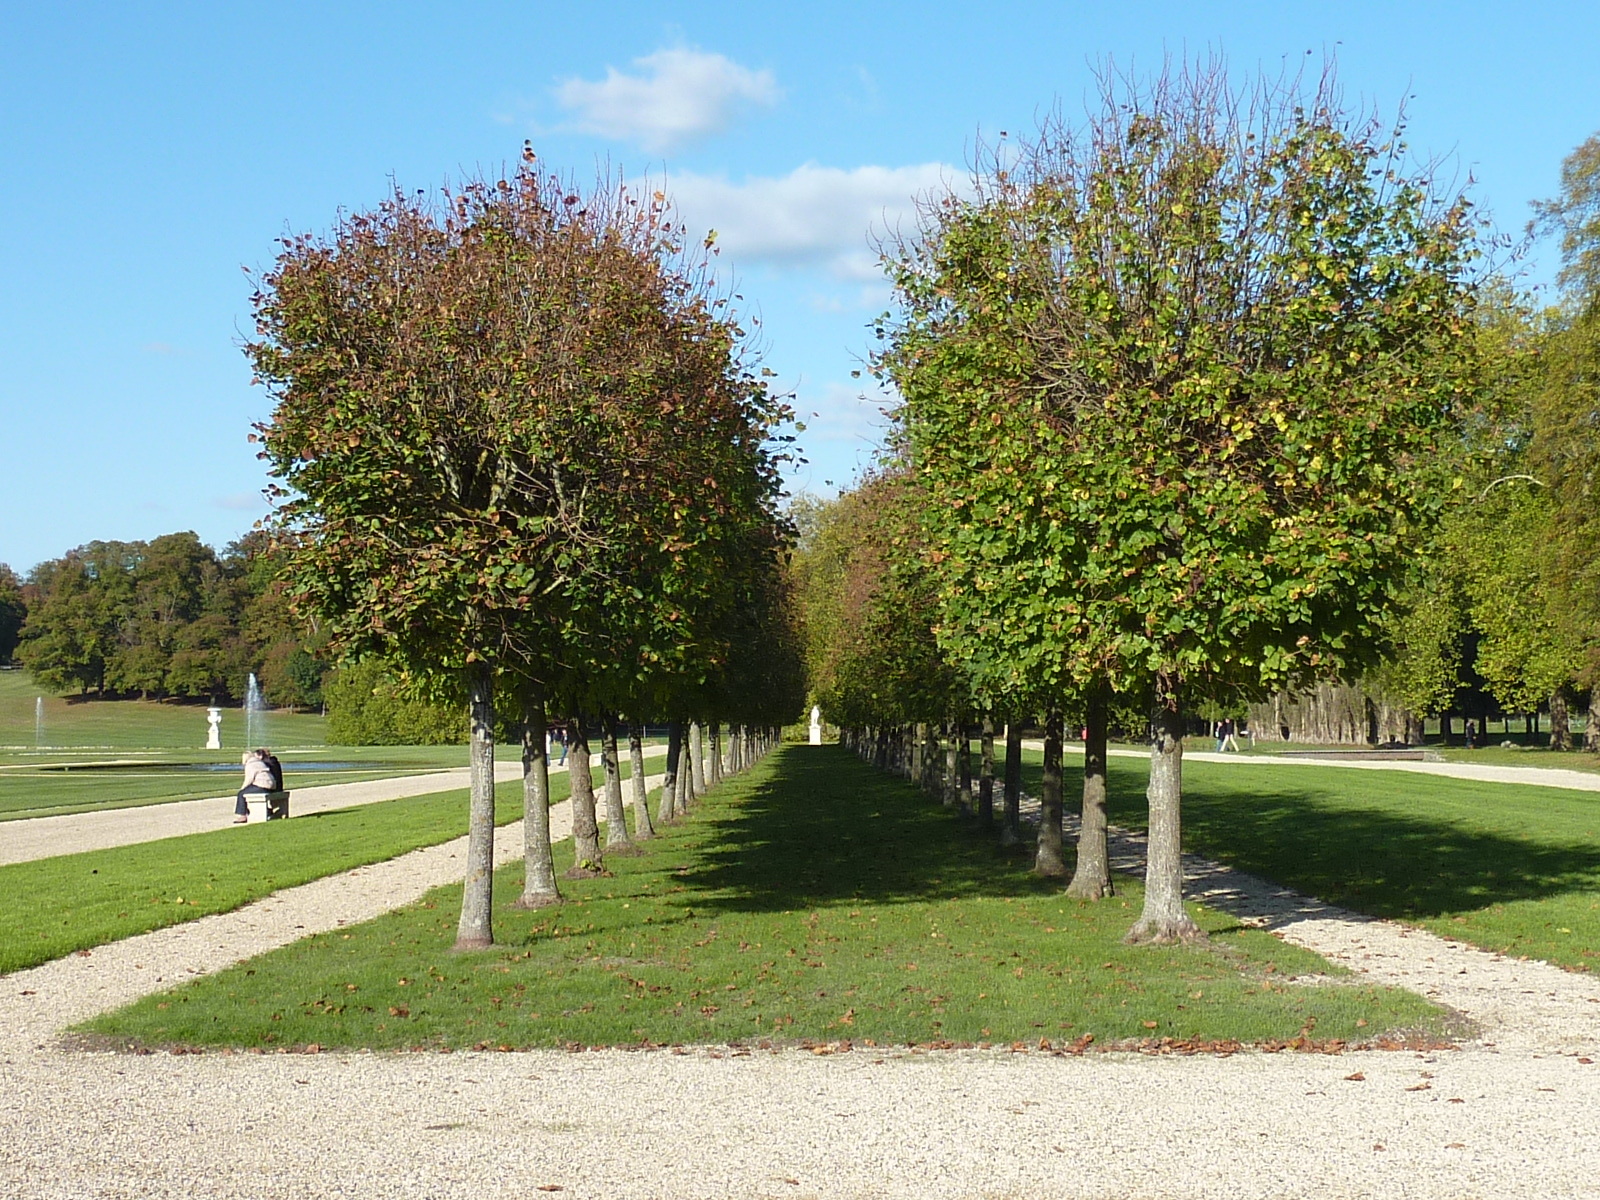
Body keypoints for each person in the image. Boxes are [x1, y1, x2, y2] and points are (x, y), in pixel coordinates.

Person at [233, 749, 276, 822]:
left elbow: (249, 779)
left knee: (241, 794)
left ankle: (242, 815)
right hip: (270, 785)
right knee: (249, 791)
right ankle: (267, 811)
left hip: (262, 785)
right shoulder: (259, 762)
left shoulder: (250, 764)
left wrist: (242, 789)